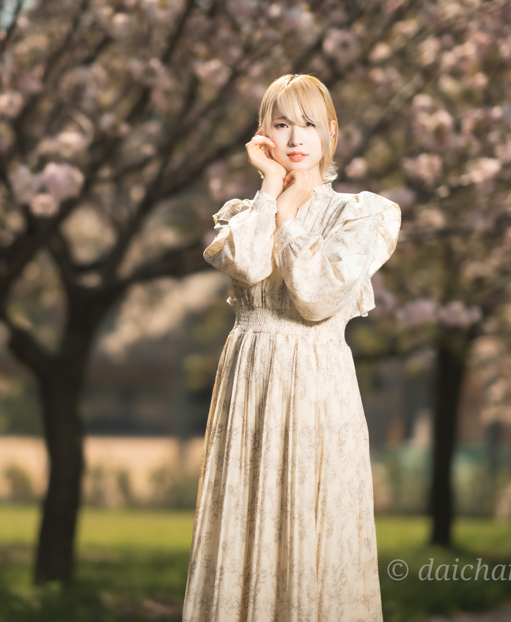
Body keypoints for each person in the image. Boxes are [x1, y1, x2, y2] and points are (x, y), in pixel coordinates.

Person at [182, 73, 401, 621]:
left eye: (308, 123)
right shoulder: (241, 213)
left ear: (332, 133)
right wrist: (271, 193)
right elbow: (251, 264)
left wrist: (292, 210)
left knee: (313, 522)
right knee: (245, 523)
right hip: (250, 382)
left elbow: (313, 297)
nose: (296, 137)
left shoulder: (363, 214)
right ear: (263, 135)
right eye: (281, 123)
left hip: (316, 386)